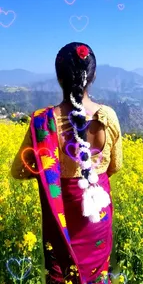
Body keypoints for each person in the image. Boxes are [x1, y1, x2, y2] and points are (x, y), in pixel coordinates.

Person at [11, 42, 123, 284]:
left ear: (59, 78)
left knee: (63, 275)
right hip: (98, 218)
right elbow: (116, 166)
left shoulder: (42, 122)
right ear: (92, 76)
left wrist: (47, 169)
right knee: (99, 273)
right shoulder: (109, 117)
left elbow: (19, 171)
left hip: (61, 220)